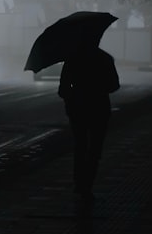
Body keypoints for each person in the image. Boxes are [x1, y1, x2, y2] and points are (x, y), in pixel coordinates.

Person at [58, 39, 120, 203]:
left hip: (77, 109)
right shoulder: (105, 58)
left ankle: (79, 182)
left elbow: (62, 89)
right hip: (99, 109)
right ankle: (88, 184)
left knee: (80, 145)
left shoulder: (72, 59)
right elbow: (114, 85)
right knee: (94, 149)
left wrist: (71, 98)